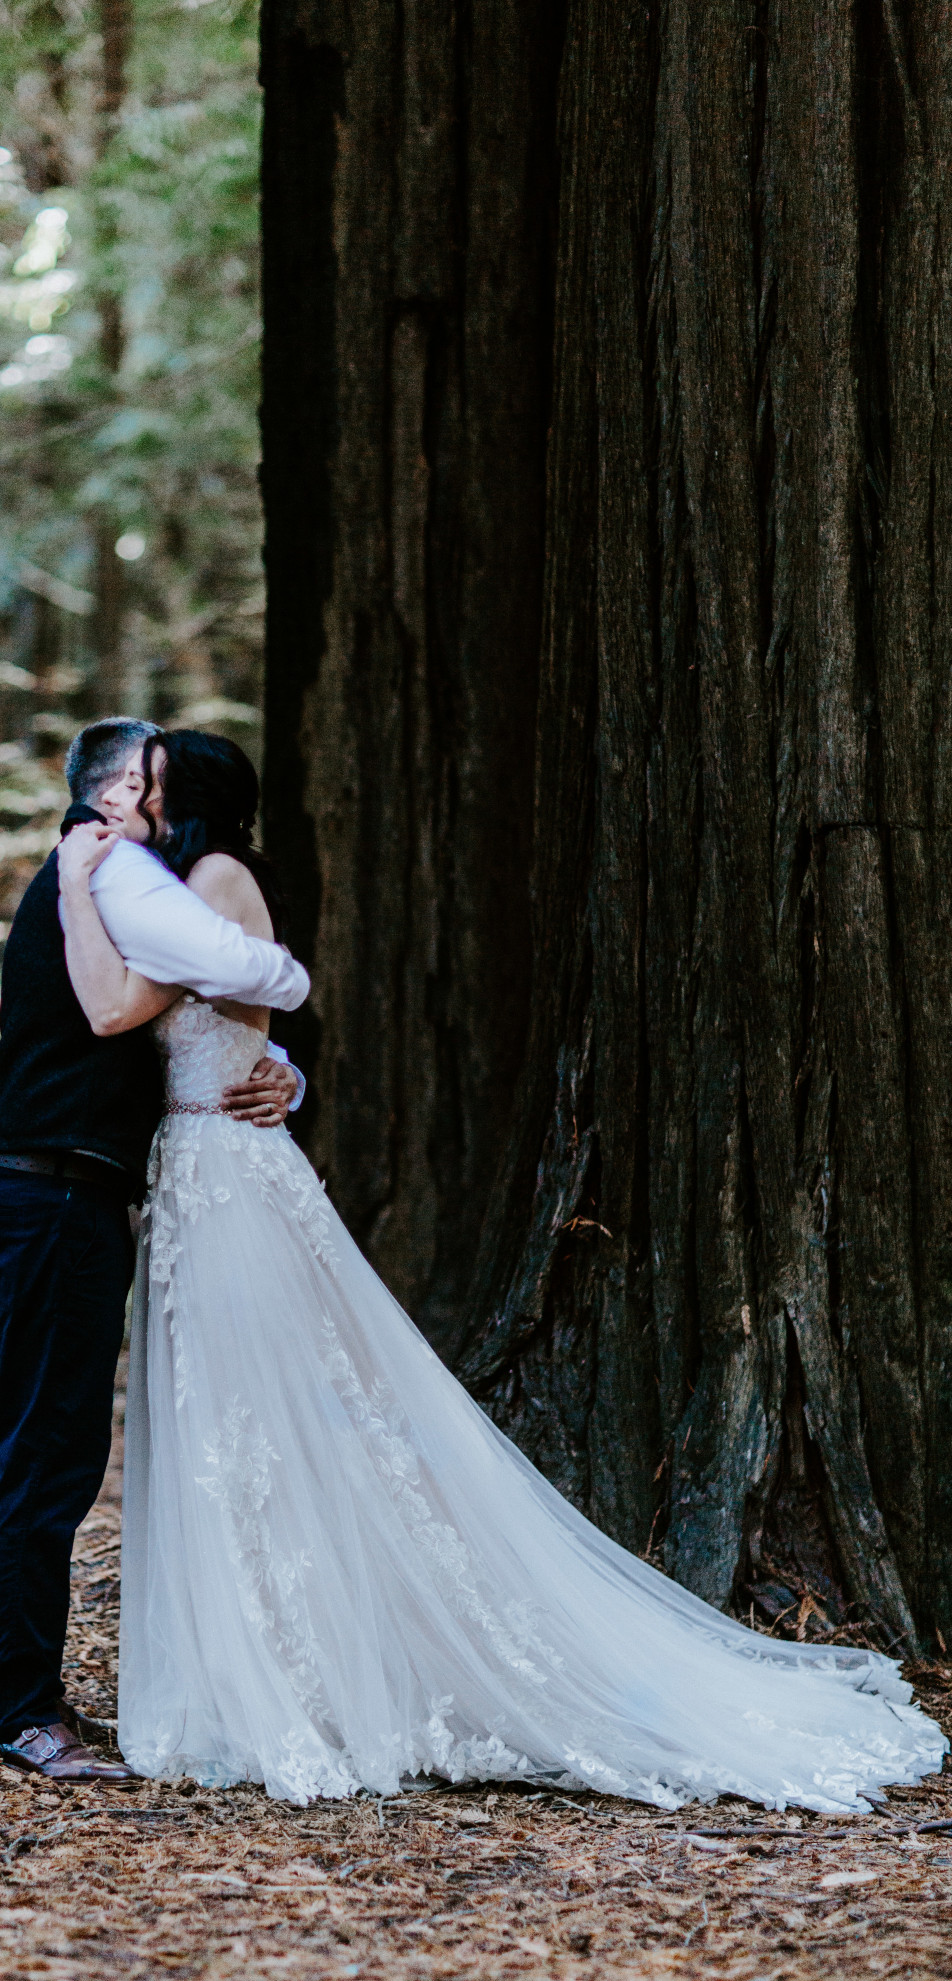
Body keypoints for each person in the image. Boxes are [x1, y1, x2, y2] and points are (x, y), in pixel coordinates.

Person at [57, 728, 949, 1812]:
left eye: (148, 790)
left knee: (261, 1417)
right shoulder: (203, 879)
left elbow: (177, 1000)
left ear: (183, 800)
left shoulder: (206, 878)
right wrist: (275, 1062)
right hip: (209, 1172)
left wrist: (98, 894)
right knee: (235, 1424)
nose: (131, 808)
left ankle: (299, 1678)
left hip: (229, 1183)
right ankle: (271, 1660)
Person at [0, 718, 310, 1785]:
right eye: (140, 785)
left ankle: (23, 1692)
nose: (147, 807)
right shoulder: (102, 870)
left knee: (54, 1447)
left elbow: (201, 1004)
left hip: (76, 1189)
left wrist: (275, 1064)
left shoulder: (131, 882)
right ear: (113, 791)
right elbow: (135, 1005)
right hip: (53, 1189)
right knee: (43, 1451)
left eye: (161, 790)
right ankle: (16, 1707)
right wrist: (281, 992)